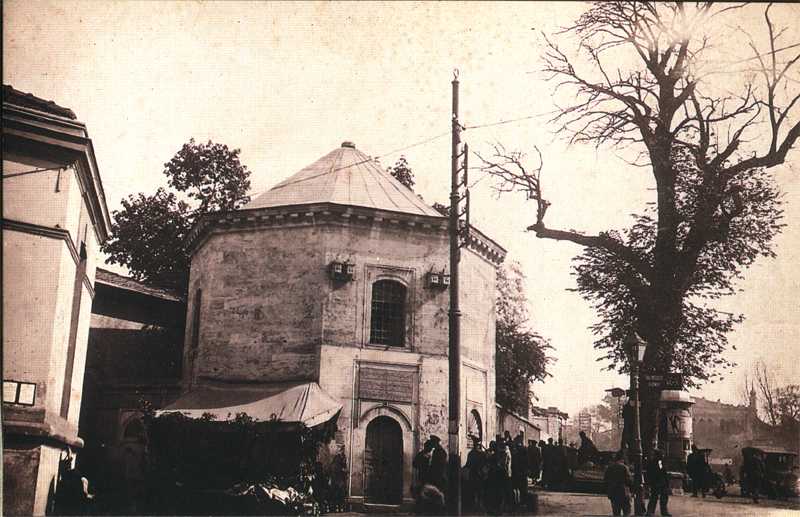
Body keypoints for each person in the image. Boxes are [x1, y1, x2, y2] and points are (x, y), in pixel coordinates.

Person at [604, 451, 632, 516]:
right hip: (623, 491)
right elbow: (629, 481)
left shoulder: (610, 467)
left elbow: (606, 480)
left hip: (613, 492)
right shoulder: (625, 467)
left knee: (616, 512)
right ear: (622, 459)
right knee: (626, 512)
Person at [464, 436, 487, 512]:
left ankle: (476, 506)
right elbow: (485, 464)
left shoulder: (472, 454)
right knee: (479, 491)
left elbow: (468, 465)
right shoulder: (482, 454)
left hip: (475, 474)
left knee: (475, 491)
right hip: (478, 474)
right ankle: (478, 506)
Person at [645, 449, 671, 516]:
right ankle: (664, 512)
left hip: (655, 482)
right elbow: (662, 471)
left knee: (654, 497)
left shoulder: (651, 462)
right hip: (661, 482)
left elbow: (648, 472)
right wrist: (667, 481)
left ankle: (650, 511)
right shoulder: (659, 462)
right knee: (663, 498)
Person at [511, 436, 529, 509]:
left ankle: (519, 502)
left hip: (519, 471)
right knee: (521, 488)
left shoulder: (518, 450)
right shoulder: (523, 449)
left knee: (519, 487)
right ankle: (521, 502)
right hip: (520, 471)